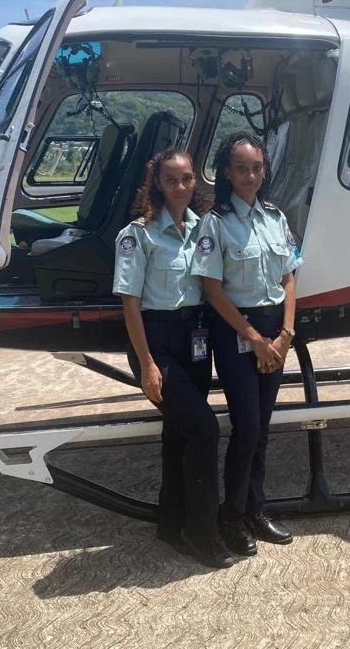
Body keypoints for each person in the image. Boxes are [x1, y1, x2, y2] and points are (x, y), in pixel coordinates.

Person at [113, 149, 235, 569]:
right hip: (156, 340)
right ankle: (204, 533)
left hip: (196, 339)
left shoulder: (205, 229)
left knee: (179, 434)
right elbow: (129, 305)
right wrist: (146, 364)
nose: (181, 187)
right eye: (171, 180)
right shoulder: (139, 234)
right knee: (204, 429)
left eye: (187, 179)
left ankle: (170, 523)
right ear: (157, 184)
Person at [192, 132, 302, 557]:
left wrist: (286, 334)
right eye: (242, 168)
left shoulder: (276, 218)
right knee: (247, 427)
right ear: (226, 173)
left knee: (263, 429)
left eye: (256, 167)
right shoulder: (215, 223)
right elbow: (213, 290)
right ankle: (232, 516)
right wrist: (256, 340)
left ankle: (257, 509)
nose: (250, 175)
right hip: (238, 332)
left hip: (276, 331)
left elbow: (289, 277)